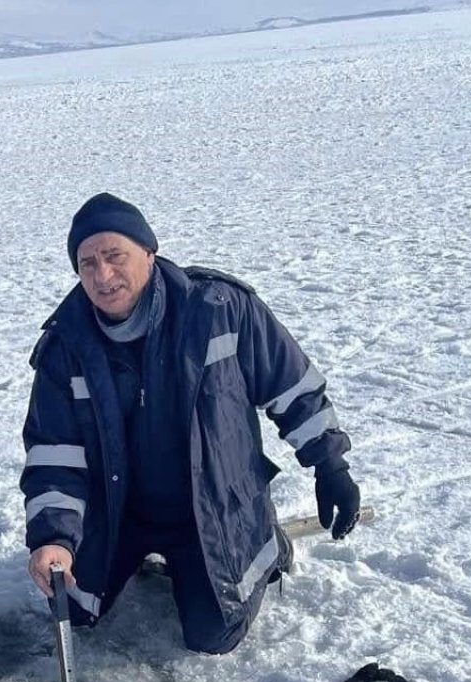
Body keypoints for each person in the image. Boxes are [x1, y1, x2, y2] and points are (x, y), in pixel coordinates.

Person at [21, 193, 361, 654]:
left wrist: (330, 466)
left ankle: (267, 540)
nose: (103, 276)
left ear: (149, 252)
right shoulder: (65, 345)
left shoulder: (219, 308)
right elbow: (54, 455)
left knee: (214, 635)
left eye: (115, 256)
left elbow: (292, 386)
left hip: (213, 505)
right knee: (75, 608)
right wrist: (55, 538)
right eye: (87, 263)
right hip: (119, 510)